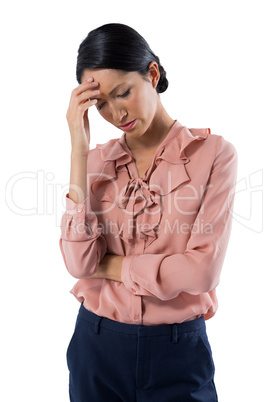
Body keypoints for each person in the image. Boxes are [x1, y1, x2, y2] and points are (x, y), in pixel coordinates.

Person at [59, 22, 238, 402]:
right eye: (101, 103)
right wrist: (78, 150)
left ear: (151, 74)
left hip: (179, 350)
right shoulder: (94, 163)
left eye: (123, 92)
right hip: (97, 345)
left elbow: (202, 270)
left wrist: (111, 267)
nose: (116, 112)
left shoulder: (214, 155)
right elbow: (78, 263)